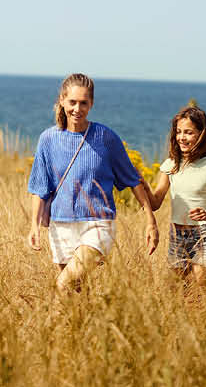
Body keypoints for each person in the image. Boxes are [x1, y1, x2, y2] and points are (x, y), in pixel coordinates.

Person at [27, 73, 158, 292]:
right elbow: (40, 187)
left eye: (83, 103)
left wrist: (150, 221)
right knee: (75, 292)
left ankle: (57, 326)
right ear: (62, 100)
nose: (77, 109)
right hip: (60, 226)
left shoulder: (106, 137)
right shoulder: (48, 139)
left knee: (63, 284)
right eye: (72, 102)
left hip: (97, 224)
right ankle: (85, 326)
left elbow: (133, 179)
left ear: (91, 104)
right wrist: (34, 226)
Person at [148, 105, 206, 284]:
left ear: (201, 135)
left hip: (203, 235)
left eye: (188, 132)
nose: (181, 137)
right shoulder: (170, 165)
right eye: (178, 132)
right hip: (176, 236)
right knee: (176, 293)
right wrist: (139, 182)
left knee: (199, 293)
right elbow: (155, 202)